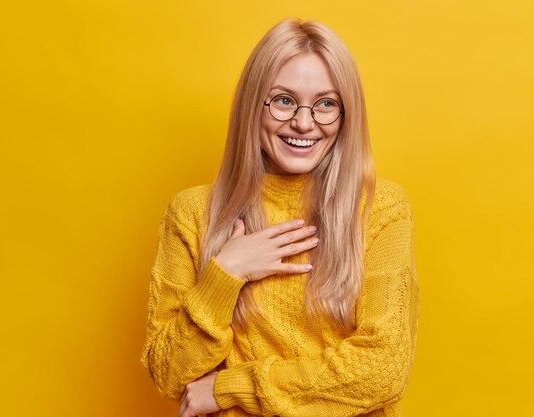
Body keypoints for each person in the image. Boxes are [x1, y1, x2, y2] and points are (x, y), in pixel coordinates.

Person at [141, 18, 420, 417]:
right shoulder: (190, 214)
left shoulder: (380, 208)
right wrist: (225, 274)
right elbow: (168, 374)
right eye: (284, 100)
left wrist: (229, 387)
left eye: (326, 104)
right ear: (253, 106)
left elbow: (383, 371)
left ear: (345, 115)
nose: (304, 123)